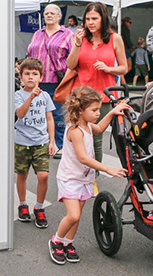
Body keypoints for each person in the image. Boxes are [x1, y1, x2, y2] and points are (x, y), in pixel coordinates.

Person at [48, 87, 128, 265]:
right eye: (94, 110)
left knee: (78, 213)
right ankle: (56, 241)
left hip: (84, 178)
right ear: (80, 110)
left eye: (99, 109)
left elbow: (99, 128)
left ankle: (68, 243)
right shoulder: (76, 130)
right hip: (70, 178)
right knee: (74, 215)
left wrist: (113, 113)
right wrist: (108, 168)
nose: (98, 113)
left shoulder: (88, 126)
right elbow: (83, 158)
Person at [66, 2, 128, 168]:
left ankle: (93, 174)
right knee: (77, 135)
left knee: (96, 139)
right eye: (87, 19)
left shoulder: (115, 38)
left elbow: (124, 68)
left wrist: (109, 68)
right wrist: (78, 44)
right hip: (80, 96)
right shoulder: (80, 37)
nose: (90, 23)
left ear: (103, 19)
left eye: (94, 18)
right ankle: (77, 173)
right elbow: (70, 65)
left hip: (103, 97)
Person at [28, 4, 74, 158]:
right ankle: (43, 143)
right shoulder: (37, 34)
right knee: (38, 114)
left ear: (59, 16)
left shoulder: (67, 34)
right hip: (37, 81)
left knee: (58, 115)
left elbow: (73, 59)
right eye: (46, 13)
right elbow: (30, 55)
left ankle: (60, 145)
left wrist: (68, 77)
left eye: (52, 13)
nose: (48, 16)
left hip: (57, 81)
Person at [15, 58, 56, 228]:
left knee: (43, 175)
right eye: (27, 74)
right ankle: (23, 204)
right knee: (22, 175)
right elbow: (21, 114)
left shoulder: (45, 96)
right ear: (21, 76)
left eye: (35, 74)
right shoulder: (17, 95)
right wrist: (31, 97)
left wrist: (52, 141)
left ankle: (39, 207)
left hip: (41, 142)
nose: (31, 77)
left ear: (41, 77)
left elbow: (49, 119)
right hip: (22, 142)